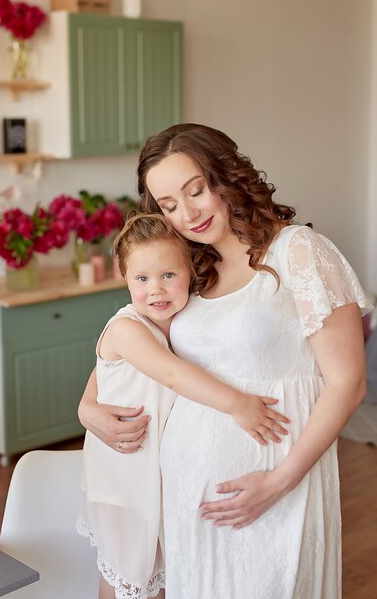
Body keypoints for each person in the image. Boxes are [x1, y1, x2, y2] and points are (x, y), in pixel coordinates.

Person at [79, 123, 372, 599]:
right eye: (169, 205)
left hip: (278, 484)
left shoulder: (298, 251)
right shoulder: (186, 269)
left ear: (227, 176)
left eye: (195, 191)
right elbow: (128, 344)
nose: (187, 214)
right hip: (188, 497)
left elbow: (347, 383)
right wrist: (87, 407)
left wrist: (280, 481)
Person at [77, 212, 290, 599]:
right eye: (141, 279)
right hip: (122, 477)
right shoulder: (127, 328)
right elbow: (173, 376)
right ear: (123, 276)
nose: (155, 290)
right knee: (127, 576)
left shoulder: (178, 319)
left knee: (158, 575)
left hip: (152, 473)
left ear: (189, 272)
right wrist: (238, 404)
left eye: (168, 275)